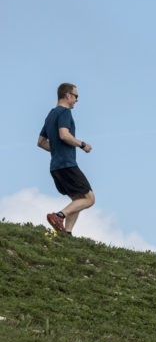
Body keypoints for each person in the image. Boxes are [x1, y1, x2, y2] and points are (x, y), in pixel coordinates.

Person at [37, 83, 95, 234]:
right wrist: (82, 145)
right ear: (68, 95)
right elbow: (64, 134)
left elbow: (41, 142)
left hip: (55, 166)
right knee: (89, 199)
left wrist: (57, 149)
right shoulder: (64, 112)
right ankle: (58, 216)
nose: (77, 100)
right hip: (67, 164)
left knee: (78, 199)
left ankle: (66, 233)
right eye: (76, 96)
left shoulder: (51, 114)